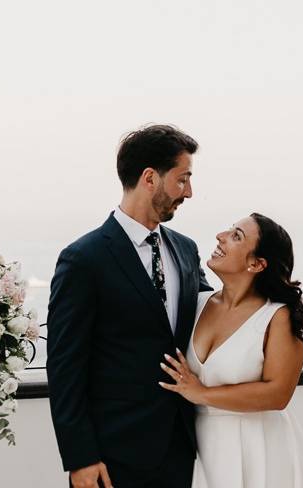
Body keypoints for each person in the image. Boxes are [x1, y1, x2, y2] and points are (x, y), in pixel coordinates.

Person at [46, 124, 212, 488]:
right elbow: (64, 367)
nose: (190, 192)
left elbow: (212, 318)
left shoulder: (186, 250)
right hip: (111, 454)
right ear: (150, 177)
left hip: (180, 448)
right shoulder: (83, 259)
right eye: (182, 179)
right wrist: (81, 457)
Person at [160, 213, 303, 488]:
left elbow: (278, 394)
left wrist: (202, 393)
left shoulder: (276, 316)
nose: (221, 236)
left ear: (256, 263)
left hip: (260, 446)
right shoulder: (195, 303)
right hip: (200, 448)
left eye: (236, 236)